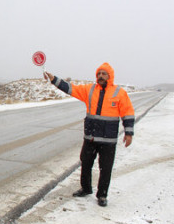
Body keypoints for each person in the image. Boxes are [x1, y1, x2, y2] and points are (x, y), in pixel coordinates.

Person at [44, 63, 135, 207]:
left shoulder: (119, 93)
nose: (100, 76)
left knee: (105, 168)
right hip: (90, 138)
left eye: (104, 74)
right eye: (99, 74)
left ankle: (102, 195)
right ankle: (86, 188)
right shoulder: (90, 90)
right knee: (85, 163)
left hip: (108, 141)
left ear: (110, 76)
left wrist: (128, 133)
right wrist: (54, 79)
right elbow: (70, 89)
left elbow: (127, 113)